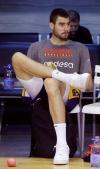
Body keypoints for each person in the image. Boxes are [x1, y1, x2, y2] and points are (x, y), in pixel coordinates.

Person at [11, 8, 93, 165]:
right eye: (61, 24)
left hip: (66, 90)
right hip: (39, 88)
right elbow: (28, 68)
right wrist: (52, 70)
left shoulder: (80, 48)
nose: (67, 28)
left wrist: (58, 77)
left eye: (68, 24)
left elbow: (88, 84)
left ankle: (62, 146)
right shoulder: (36, 47)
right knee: (16, 57)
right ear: (51, 25)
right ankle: (58, 74)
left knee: (51, 81)